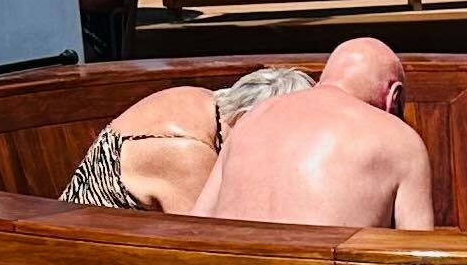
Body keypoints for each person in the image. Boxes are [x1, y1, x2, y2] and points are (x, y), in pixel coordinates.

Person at [195, 35, 436, 231]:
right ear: (394, 97)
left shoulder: (254, 116)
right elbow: (418, 260)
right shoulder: (401, 140)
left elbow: (197, 222)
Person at [57, 62, 317, 215]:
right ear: (251, 118)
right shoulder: (186, 150)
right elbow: (211, 245)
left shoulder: (207, 103)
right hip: (87, 264)